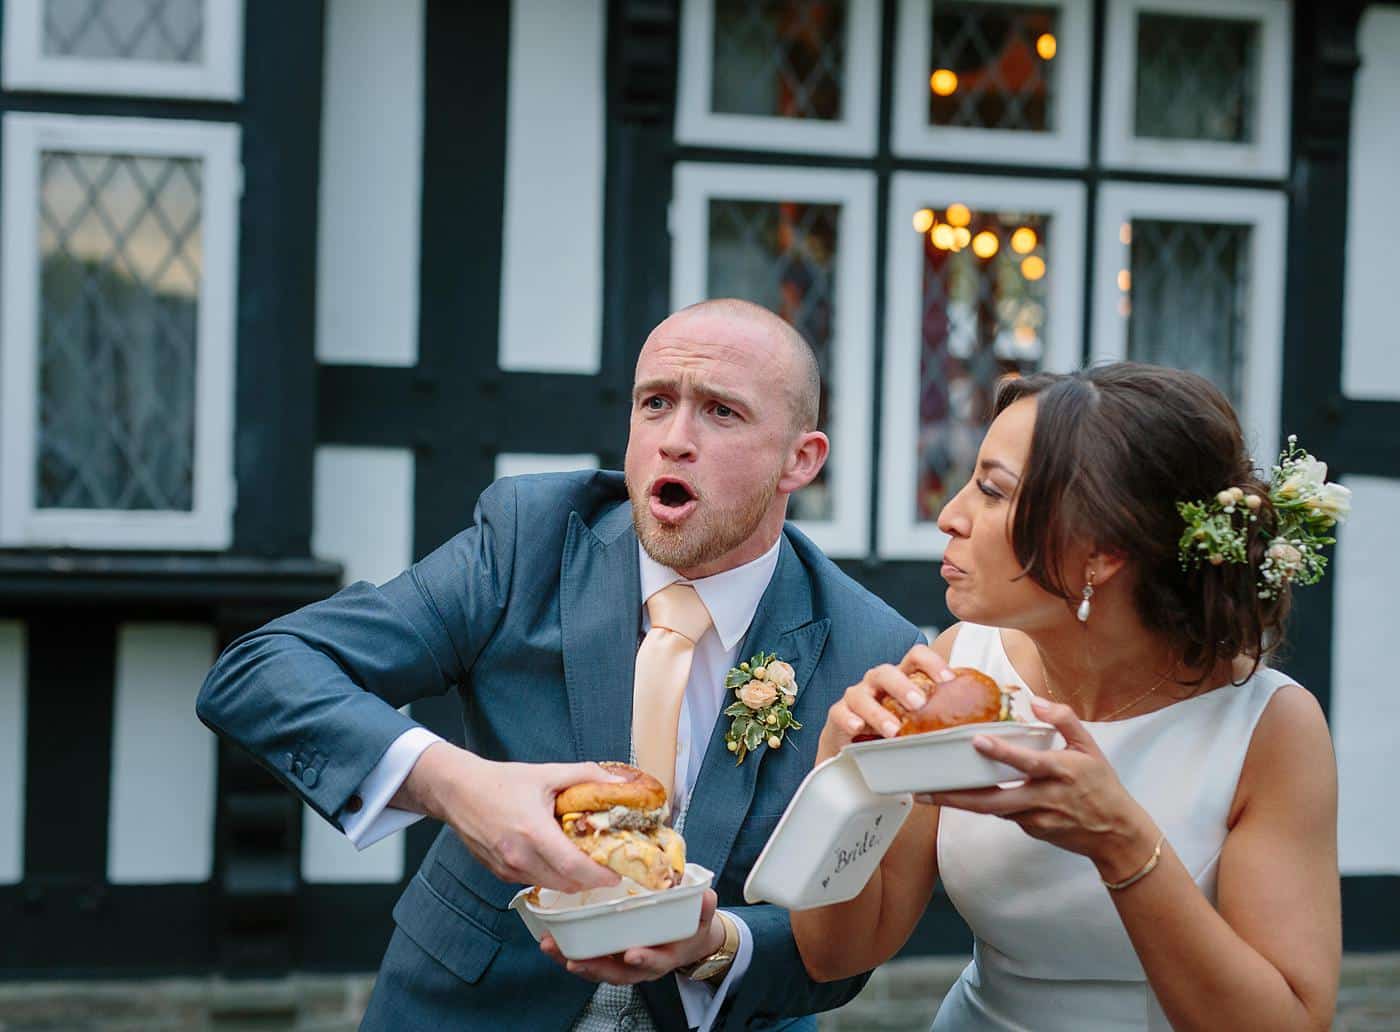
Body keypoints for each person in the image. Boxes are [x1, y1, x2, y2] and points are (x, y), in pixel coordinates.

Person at [197, 298, 921, 1031]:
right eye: (655, 403)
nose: (674, 440)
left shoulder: (872, 651)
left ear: (801, 459)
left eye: (721, 413)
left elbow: (843, 948)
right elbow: (262, 668)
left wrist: (715, 945)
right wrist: (459, 788)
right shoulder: (527, 540)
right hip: (468, 1008)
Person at [791, 364, 1341, 1030]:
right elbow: (835, 955)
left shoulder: (1268, 728)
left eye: (992, 492)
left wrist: (1122, 844)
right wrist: (842, 776)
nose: (948, 516)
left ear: (1100, 552)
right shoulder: (961, 666)